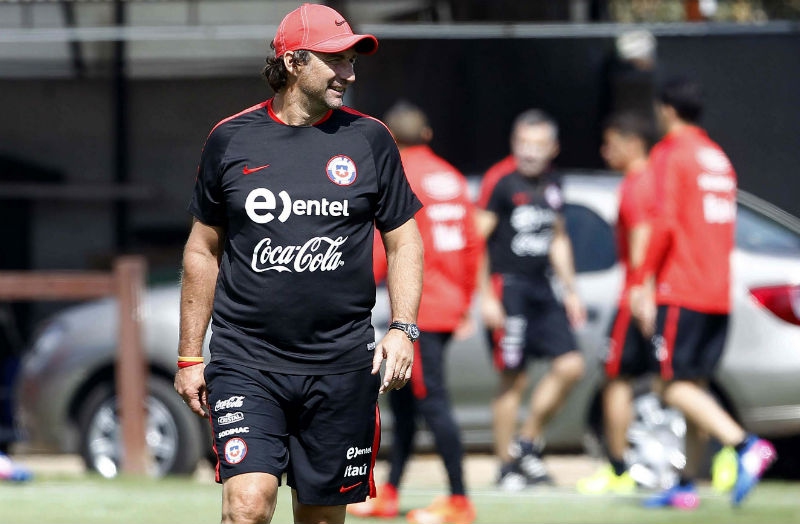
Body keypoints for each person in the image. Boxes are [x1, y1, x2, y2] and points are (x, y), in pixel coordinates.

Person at [173, 4, 424, 524]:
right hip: (247, 360)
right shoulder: (231, 138)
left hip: (341, 364)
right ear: (293, 62)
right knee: (247, 506)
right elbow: (202, 248)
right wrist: (189, 355)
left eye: (353, 60)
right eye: (336, 61)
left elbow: (404, 241)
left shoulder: (370, 138)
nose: (349, 73)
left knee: (321, 518)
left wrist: (403, 328)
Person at [630, 77, 776, 509]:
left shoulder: (671, 153)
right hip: (716, 291)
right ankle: (686, 485)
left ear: (667, 110)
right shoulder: (717, 157)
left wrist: (642, 280)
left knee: (670, 387)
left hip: (683, 287)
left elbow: (665, 223)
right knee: (695, 386)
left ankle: (745, 444)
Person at [347, 101, 481, 524]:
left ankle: (460, 500)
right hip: (446, 304)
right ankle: (389, 490)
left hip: (417, 308)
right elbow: (473, 243)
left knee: (433, 402)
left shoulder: (397, 172)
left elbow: (385, 249)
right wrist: (465, 301)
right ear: (427, 136)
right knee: (405, 403)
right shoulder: (453, 177)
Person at [476, 109, 586, 490]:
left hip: (543, 287)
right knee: (514, 378)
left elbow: (558, 237)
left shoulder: (554, 183)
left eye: (538, 145)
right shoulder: (502, 182)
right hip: (510, 289)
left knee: (571, 365)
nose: (530, 152)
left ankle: (526, 441)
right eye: (523, 143)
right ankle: (506, 464)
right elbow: (478, 241)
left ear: (553, 148)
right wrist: (487, 297)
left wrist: (571, 292)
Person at [576, 112, 654, 495]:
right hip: (655, 292)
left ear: (632, 142)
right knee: (680, 382)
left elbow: (642, 238)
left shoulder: (637, 186)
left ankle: (619, 469)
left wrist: (641, 289)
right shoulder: (656, 180)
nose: (606, 152)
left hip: (636, 295)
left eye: (611, 143)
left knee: (615, 378)